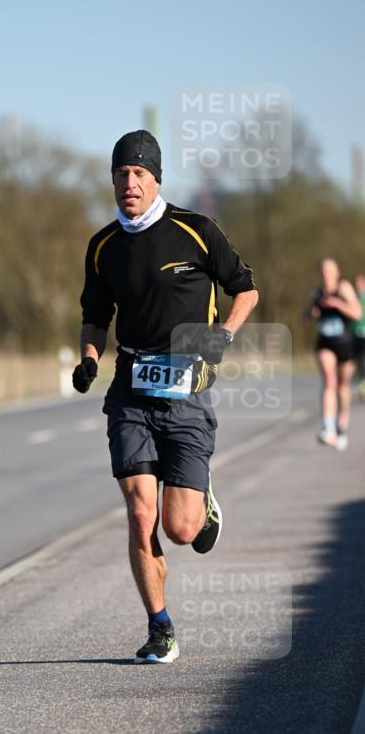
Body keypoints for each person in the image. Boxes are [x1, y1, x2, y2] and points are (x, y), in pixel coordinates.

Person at [72, 129, 258, 665]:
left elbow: (245, 290)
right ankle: (160, 627)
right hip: (130, 390)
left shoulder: (197, 231)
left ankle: (204, 504)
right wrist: (89, 359)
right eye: (120, 174)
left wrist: (221, 337)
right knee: (139, 512)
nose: (128, 183)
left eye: (138, 173)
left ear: (156, 179)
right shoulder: (103, 246)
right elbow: (95, 316)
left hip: (186, 393)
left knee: (180, 529)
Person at [305, 259, 361, 451]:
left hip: (346, 344)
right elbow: (306, 315)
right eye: (323, 270)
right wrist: (312, 311)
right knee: (329, 380)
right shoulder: (317, 292)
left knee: (342, 386)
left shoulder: (343, 288)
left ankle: (341, 425)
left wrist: (337, 303)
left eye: (329, 270)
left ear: (337, 272)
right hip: (326, 343)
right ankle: (328, 429)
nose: (326, 274)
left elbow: (357, 313)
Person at [352, 274, 365, 400]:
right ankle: (362, 383)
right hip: (355, 334)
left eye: (360, 282)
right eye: (356, 283)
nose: (357, 285)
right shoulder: (353, 297)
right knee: (359, 361)